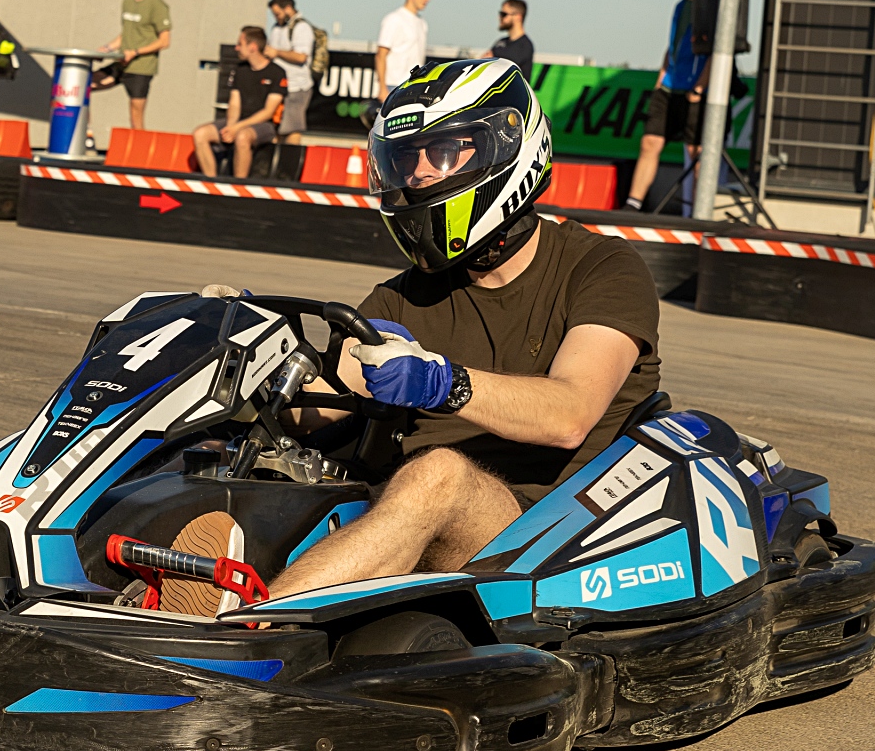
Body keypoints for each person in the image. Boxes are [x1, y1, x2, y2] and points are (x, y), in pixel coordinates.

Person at [250, 59, 659, 607]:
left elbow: (570, 415)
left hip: (544, 534)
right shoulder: (401, 297)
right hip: (401, 512)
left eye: (442, 152)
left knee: (438, 474)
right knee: (235, 459)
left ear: (506, 148)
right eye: (404, 160)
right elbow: (315, 408)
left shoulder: (600, 268)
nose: (418, 175)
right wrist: (250, 357)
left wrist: (443, 383)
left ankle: (246, 630)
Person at [624, 0, 709, 213]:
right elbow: (672, 44)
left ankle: (698, 210)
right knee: (650, 141)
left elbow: (716, 52)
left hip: (693, 89)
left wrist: (699, 87)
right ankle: (633, 204)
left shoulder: (709, 10)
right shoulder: (680, 7)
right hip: (669, 85)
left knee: (696, 151)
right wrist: (661, 76)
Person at [192, 25, 285, 177]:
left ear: (253, 47)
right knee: (200, 134)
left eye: (240, 44)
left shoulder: (277, 73)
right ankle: (211, 181)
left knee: (242, 137)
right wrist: (230, 127)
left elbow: (268, 112)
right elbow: (234, 104)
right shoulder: (239, 70)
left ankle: (239, 185)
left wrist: (237, 128)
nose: (236, 48)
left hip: (264, 126)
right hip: (238, 122)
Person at [96, 0, 171, 131]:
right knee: (85, 85)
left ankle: (140, 147)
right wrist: (106, 49)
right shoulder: (128, 2)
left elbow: (164, 41)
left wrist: (136, 52)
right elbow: (127, 34)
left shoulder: (157, 5)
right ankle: (87, 134)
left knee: (135, 116)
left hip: (141, 69)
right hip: (121, 64)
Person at [265, 0, 316, 145]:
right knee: (277, 126)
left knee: (292, 127)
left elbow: (301, 57)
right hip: (279, 85)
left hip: (296, 86)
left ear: (288, 8)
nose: (276, 18)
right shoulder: (277, 28)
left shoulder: (302, 28)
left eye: (278, 14)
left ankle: (291, 156)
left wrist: (277, 53)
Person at [374, 0, 432, 97]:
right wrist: (382, 88)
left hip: (414, 85)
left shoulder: (422, 23)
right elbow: (381, 55)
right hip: (393, 86)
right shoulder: (394, 19)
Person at [490, 0, 534, 77]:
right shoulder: (501, 41)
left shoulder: (525, 45)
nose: (499, 17)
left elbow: (504, 67)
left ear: (518, 17)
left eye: (504, 14)